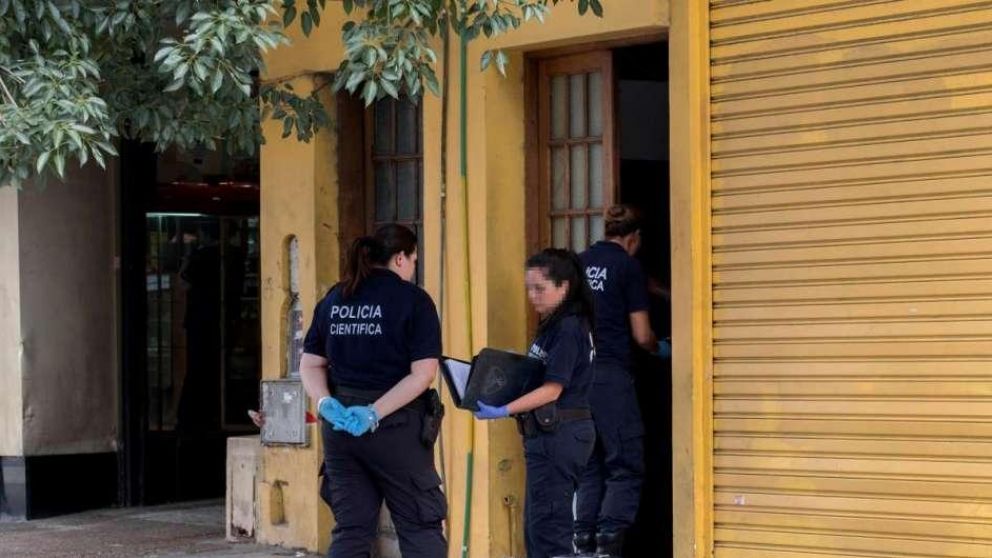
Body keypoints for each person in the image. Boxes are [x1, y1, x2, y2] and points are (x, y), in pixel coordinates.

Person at [299, 224, 447, 558]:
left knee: (351, 530)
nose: (413, 267)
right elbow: (423, 374)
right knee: (420, 525)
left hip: (340, 428)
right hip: (396, 427)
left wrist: (324, 402)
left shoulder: (336, 297)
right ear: (399, 258)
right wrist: (375, 412)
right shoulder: (414, 301)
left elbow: (309, 364)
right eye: (413, 259)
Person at [473, 248, 596, 558]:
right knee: (538, 528)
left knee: (551, 531)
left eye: (540, 288)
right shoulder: (554, 324)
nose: (532, 296)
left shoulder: (569, 327)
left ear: (564, 286)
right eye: (528, 288)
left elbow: (553, 389)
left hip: (560, 434)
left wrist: (503, 409)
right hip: (548, 435)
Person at [575, 204, 661, 557]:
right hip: (611, 377)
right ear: (633, 238)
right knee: (624, 465)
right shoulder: (628, 266)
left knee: (591, 464)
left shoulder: (578, 263)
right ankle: (609, 546)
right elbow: (642, 335)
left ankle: (583, 544)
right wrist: (661, 349)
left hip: (577, 378)